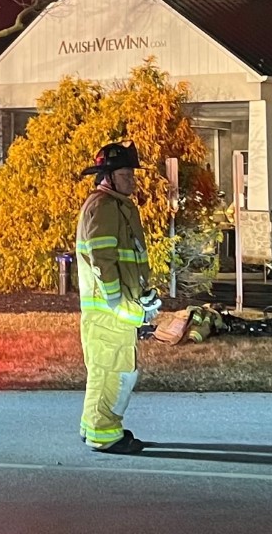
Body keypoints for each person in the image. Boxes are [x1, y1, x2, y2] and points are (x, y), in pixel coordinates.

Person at [74, 142, 159, 455]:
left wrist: (143, 294)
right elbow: (102, 260)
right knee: (115, 371)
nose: (132, 180)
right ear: (107, 176)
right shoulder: (105, 207)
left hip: (116, 307)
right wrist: (119, 303)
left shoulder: (117, 206)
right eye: (125, 174)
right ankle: (103, 435)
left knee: (108, 369)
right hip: (108, 311)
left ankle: (93, 425)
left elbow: (126, 260)